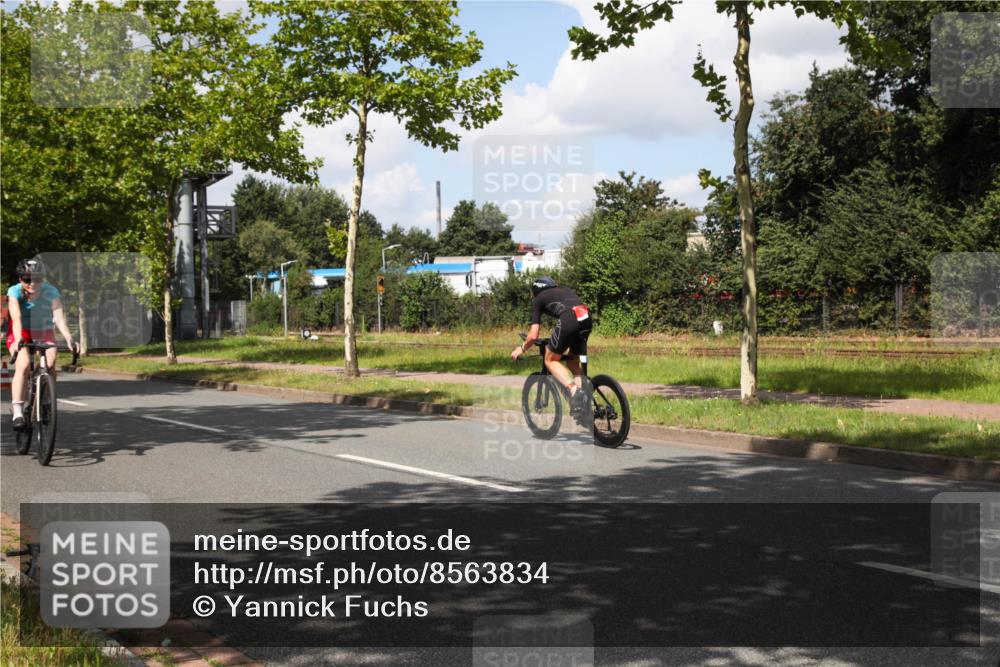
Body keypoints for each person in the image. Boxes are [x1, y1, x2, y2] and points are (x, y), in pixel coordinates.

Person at [6, 259, 77, 429]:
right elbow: (16, 319)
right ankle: (17, 413)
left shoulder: (51, 291)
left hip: (43, 330)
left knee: (50, 364)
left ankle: (44, 398)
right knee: (23, 365)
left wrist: (69, 338)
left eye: (36, 279)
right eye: (27, 279)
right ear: (20, 279)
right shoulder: (14, 291)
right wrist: (18, 340)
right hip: (21, 330)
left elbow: (59, 318)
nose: (32, 284)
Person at [511, 276, 592, 413]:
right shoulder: (564, 289)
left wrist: (522, 348)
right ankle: (583, 402)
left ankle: (573, 390)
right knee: (572, 363)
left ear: (536, 291)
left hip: (570, 318)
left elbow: (533, 335)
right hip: (586, 318)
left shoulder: (538, 299)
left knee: (549, 360)